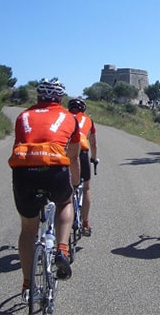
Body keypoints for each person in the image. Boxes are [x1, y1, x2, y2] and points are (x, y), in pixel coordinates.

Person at [8, 78, 81, 301]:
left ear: (38, 97)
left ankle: (28, 284)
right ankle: (62, 248)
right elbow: (75, 157)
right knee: (65, 203)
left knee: (28, 229)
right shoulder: (69, 117)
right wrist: (75, 183)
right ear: (59, 98)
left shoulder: (23, 116)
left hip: (24, 172)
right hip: (55, 169)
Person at [67, 97, 98, 236]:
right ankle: (85, 224)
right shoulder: (88, 120)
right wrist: (93, 158)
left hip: (63, 152)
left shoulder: (64, 118)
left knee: (65, 188)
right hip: (82, 153)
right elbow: (93, 144)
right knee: (86, 188)